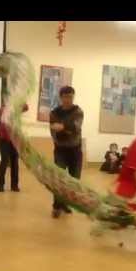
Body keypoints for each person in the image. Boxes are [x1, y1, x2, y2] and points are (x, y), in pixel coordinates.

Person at [49, 86, 84, 219]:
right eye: (65, 97)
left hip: (75, 150)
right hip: (60, 150)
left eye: (70, 97)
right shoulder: (54, 113)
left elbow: (76, 127)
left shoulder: (78, 111)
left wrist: (62, 127)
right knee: (59, 179)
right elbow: (54, 132)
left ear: (73, 97)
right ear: (61, 97)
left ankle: (65, 203)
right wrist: (66, 130)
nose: (68, 99)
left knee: (74, 180)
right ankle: (57, 206)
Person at [0, 103, 29, 192]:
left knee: (15, 162)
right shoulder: (2, 109)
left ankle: (14, 185)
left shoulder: (17, 108)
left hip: (14, 140)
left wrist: (20, 99)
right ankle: (0, 184)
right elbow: (5, 117)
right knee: (5, 160)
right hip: (4, 139)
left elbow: (26, 107)